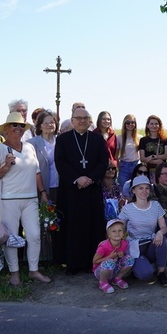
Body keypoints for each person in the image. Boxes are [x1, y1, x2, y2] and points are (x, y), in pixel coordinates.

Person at [0, 112, 51, 285]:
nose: (19, 128)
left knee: (34, 234)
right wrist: (5, 167)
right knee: (12, 236)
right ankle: (14, 272)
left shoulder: (29, 147)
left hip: (30, 198)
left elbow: (36, 172)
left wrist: (43, 192)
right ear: (6, 129)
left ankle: (33, 270)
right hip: (7, 199)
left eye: (22, 126)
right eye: (14, 125)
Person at [55, 107, 111, 275]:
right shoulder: (63, 139)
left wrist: (90, 178)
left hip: (91, 189)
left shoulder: (97, 139)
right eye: (78, 118)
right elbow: (60, 162)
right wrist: (77, 179)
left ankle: (90, 262)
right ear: (72, 120)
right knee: (72, 225)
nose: (82, 121)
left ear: (90, 120)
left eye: (85, 118)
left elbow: (103, 161)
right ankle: (72, 263)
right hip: (71, 190)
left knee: (92, 224)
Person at [118, 175, 167, 287]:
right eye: (140, 188)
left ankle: (161, 272)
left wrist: (160, 232)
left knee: (163, 239)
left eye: (147, 188)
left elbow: (164, 227)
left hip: (151, 243)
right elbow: (119, 229)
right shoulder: (128, 208)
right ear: (134, 190)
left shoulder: (155, 205)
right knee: (146, 275)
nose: (144, 191)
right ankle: (140, 266)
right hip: (135, 247)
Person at [29, 110, 64, 264]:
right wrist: (42, 190)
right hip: (42, 187)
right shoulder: (33, 143)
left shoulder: (61, 141)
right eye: (46, 122)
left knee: (59, 220)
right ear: (40, 125)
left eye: (52, 122)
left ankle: (59, 254)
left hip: (60, 186)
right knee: (44, 220)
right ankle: (44, 256)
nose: (50, 125)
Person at [92, 219, 134, 293]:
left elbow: (123, 257)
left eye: (120, 230)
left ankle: (117, 278)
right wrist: (109, 257)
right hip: (100, 271)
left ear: (123, 233)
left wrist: (122, 255)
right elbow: (95, 261)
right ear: (109, 235)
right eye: (113, 231)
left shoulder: (124, 243)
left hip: (114, 269)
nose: (117, 233)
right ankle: (102, 282)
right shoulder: (103, 246)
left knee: (130, 259)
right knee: (110, 262)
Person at [139, 115, 167, 180]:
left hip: (161, 171)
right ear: (147, 125)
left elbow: (166, 155)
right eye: (152, 124)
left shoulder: (165, 140)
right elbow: (142, 158)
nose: (154, 126)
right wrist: (155, 161)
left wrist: (154, 157)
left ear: (159, 126)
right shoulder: (143, 140)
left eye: (156, 124)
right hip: (147, 171)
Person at [116, 114, 140, 189]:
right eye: (128, 122)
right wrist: (118, 166)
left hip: (136, 165)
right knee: (123, 188)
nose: (130, 124)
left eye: (133, 122)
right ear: (124, 124)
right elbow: (116, 155)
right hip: (124, 166)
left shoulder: (139, 137)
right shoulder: (119, 138)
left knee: (136, 188)